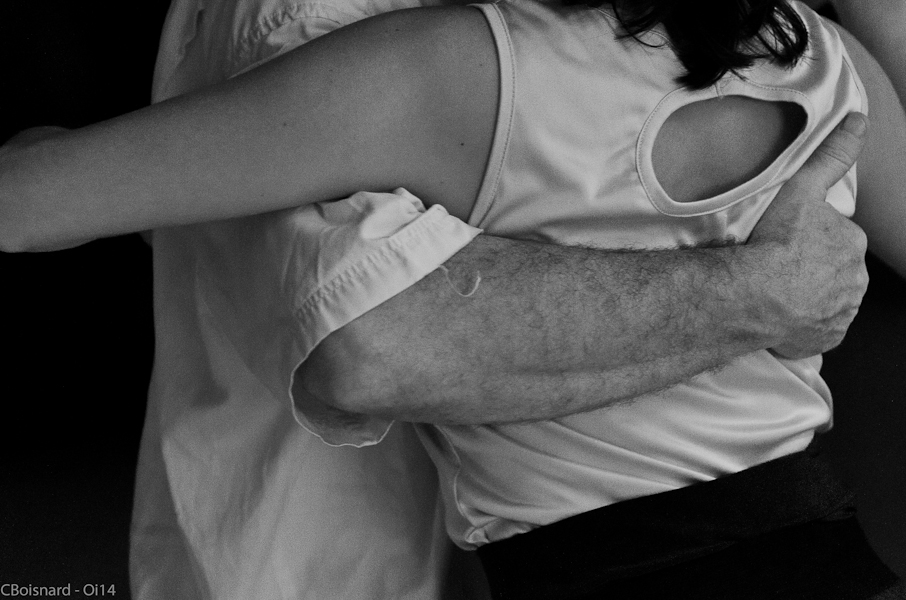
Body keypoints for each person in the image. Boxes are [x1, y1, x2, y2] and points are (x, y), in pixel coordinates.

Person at [0, 0, 899, 598]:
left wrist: (149, 176)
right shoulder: (827, 65)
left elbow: (31, 198)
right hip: (832, 556)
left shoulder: (449, 74)